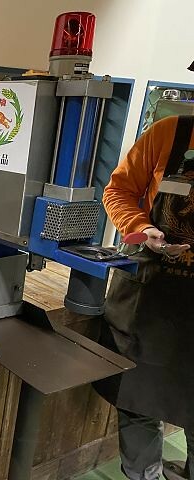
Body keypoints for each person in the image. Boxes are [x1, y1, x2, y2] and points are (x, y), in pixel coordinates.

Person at [94, 115, 194, 480]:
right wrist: (142, 227)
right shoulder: (169, 133)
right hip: (151, 296)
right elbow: (118, 191)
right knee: (137, 398)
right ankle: (143, 475)